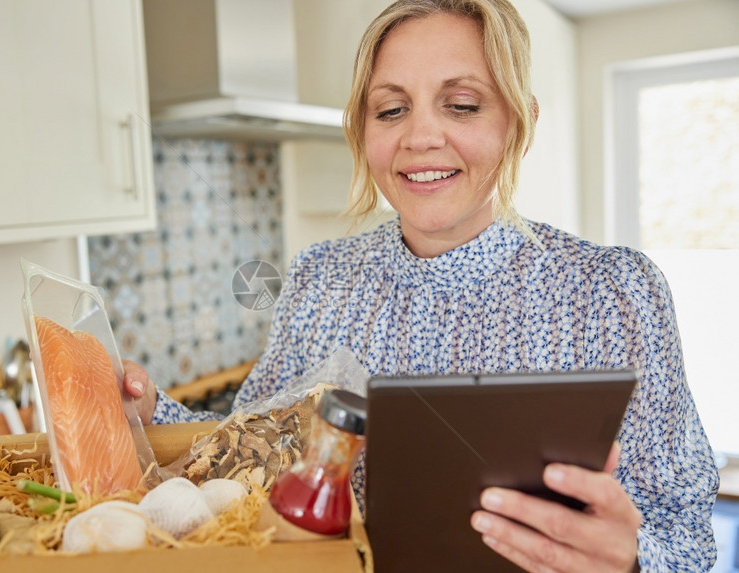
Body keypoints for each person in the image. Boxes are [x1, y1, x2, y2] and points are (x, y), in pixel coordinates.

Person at [125, 0, 719, 570]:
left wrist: (632, 561)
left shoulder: (611, 293)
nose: (420, 136)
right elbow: (249, 457)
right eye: (390, 110)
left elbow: (687, 533)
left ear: (521, 123)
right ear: (363, 130)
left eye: (461, 104)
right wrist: (148, 411)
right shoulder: (318, 278)